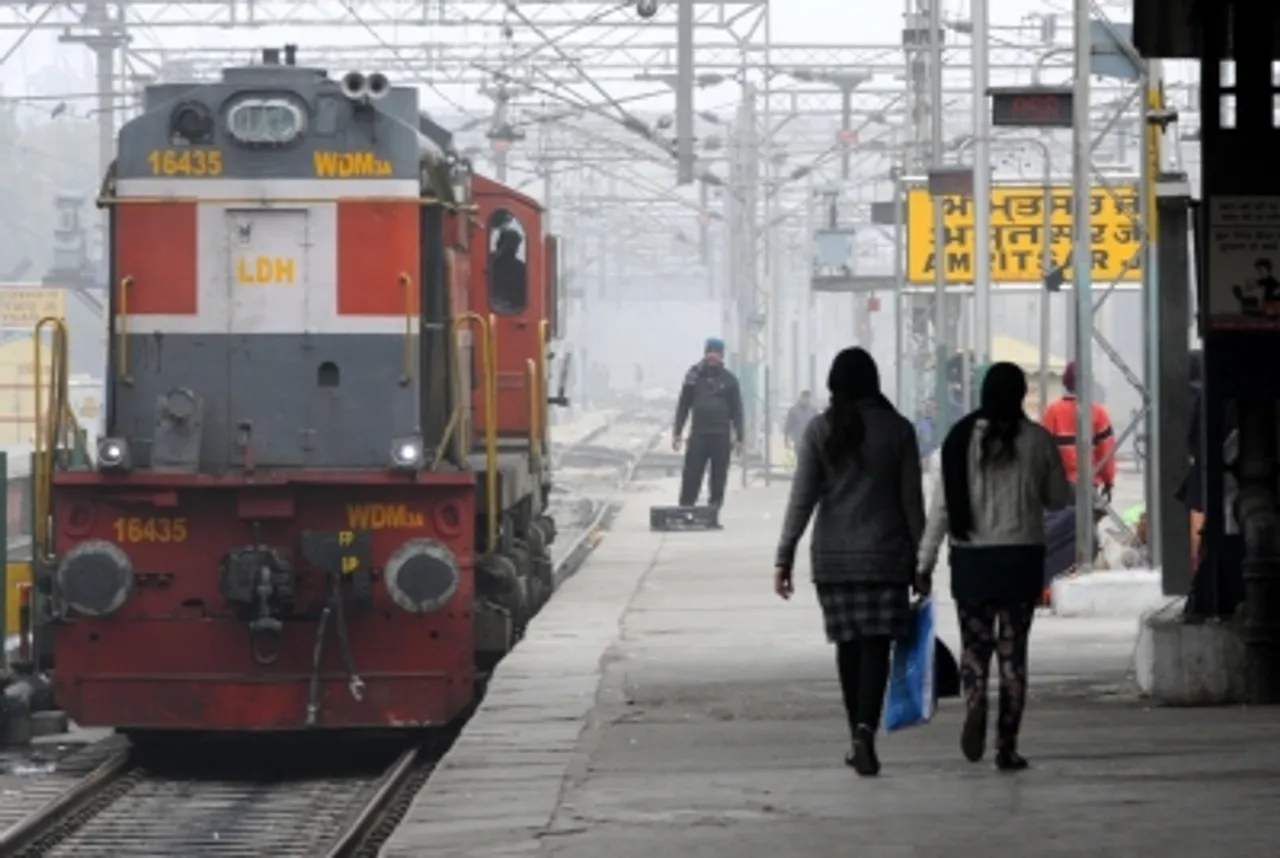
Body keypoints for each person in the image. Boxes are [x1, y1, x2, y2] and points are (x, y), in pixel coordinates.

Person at [773, 347, 926, 777]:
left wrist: (784, 555)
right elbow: (912, 503)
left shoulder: (820, 431)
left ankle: (855, 736)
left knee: (848, 646)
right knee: (877, 645)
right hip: (887, 558)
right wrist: (924, 559)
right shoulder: (898, 430)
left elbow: (801, 498)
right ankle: (864, 732)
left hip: (834, 562)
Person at [917, 363, 1072, 772]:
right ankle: (1007, 747)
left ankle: (974, 701)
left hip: (973, 562)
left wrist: (924, 562)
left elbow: (942, 510)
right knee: (1013, 654)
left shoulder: (959, 441)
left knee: (975, 647)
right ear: (1022, 394)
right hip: (1021, 560)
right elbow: (1059, 497)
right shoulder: (1037, 440)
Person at [673, 337, 744, 510]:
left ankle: (713, 511)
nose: (713, 356)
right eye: (710, 352)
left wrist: (740, 438)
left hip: (721, 436)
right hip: (699, 435)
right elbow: (683, 405)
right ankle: (686, 508)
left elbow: (737, 411)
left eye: (716, 353)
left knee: (718, 477)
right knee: (691, 474)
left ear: (721, 356)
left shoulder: (730, 380)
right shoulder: (693, 377)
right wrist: (677, 432)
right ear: (705, 353)